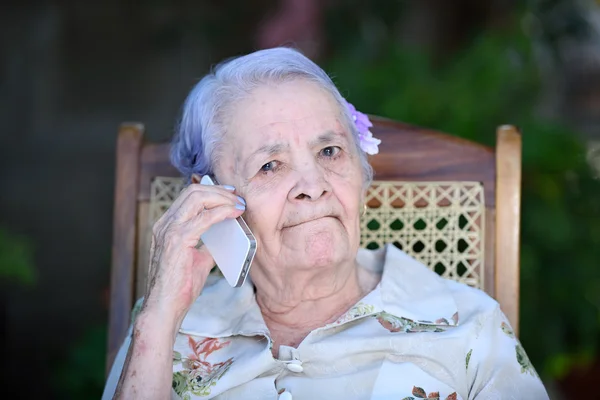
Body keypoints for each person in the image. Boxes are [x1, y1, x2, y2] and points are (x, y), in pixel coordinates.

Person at [103, 47, 549, 400]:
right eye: (271, 165)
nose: (312, 185)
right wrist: (160, 314)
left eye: (330, 152)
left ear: (361, 172)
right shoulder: (169, 326)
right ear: (210, 199)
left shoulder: (468, 325)